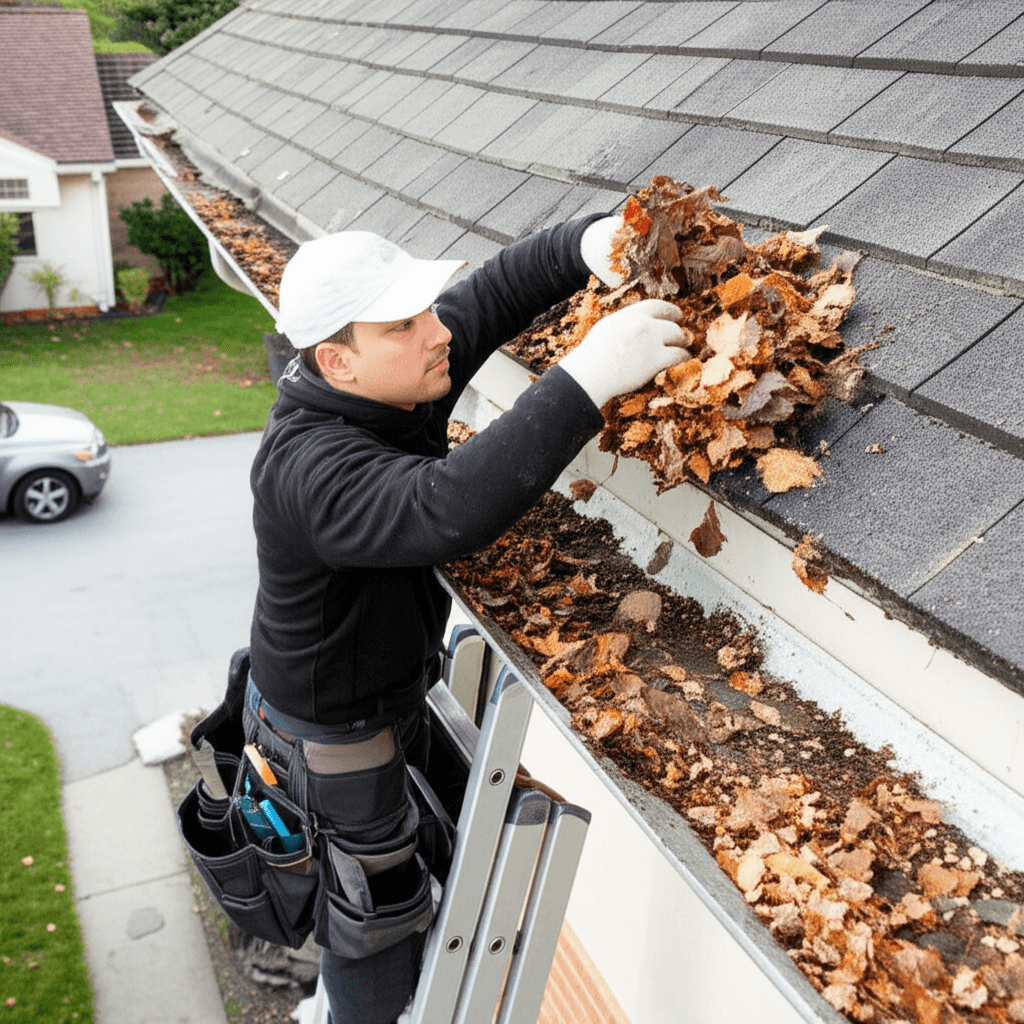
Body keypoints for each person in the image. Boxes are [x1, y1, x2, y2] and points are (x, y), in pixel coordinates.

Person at [244, 213, 687, 1024]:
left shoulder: (397, 371)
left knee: (437, 854)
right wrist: (587, 378)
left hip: (390, 693)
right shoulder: (308, 467)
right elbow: (444, 509)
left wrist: (589, 244)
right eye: (405, 323)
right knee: (373, 920)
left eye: (425, 309)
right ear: (336, 360)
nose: (436, 330)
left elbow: (495, 290)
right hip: (333, 738)